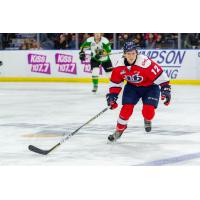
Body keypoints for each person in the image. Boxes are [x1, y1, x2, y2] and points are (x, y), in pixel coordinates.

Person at [106, 41, 171, 142]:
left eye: (133, 53)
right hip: (132, 88)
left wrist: (165, 89)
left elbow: (159, 75)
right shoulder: (119, 66)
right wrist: (112, 95)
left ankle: (147, 118)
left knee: (148, 112)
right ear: (124, 54)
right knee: (126, 109)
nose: (131, 56)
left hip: (150, 87)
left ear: (136, 53)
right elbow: (115, 82)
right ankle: (119, 130)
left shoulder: (145, 63)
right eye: (128, 53)